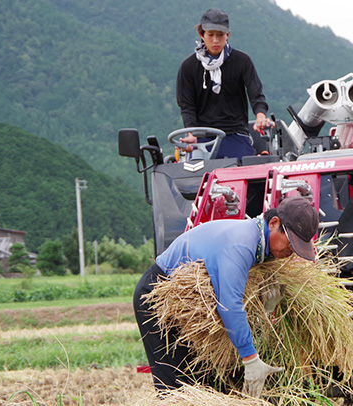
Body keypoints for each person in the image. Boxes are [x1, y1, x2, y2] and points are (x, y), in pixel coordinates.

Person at [133, 196, 319, 397]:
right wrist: (250, 358)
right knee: (178, 387)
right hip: (159, 298)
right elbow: (229, 305)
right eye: (291, 243)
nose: (291, 252)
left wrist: (267, 308)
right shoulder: (241, 244)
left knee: (206, 383)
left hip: (193, 308)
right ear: (274, 223)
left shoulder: (262, 248)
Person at [176, 8, 273, 162]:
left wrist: (260, 116)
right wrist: (191, 134)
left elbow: (256, 94)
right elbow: (187, 106)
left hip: (236, 135)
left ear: (228, 35)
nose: (215, 40)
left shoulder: (242, 61)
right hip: (202, 138)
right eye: (211, 35)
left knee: (248, 176)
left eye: (220, 35)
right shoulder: (188, 67)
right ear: (202, 35)